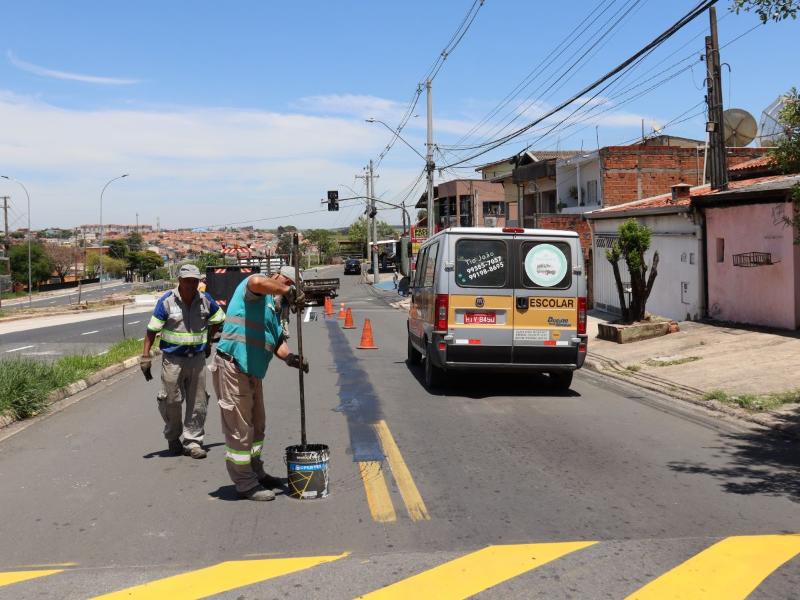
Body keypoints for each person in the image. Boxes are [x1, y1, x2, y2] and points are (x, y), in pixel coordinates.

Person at [211, 270, 307, 501]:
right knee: (240, 429)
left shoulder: (272, 310)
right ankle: (245, 482)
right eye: (287, 283)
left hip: (253, 372)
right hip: (233, 367)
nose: (286, 291)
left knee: (257, 426)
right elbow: (257, 282)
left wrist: (290, 358)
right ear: (277, 276)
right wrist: (286, 290)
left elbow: (277, 341)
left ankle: (255, 470)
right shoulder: (254, 289)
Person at [140, 264, 226, 459]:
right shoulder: (166, 301)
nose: (191, 285)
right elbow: (152, 330)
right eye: (187, 281)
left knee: (198, 402)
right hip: (173, 360)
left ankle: (193, 442)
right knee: (171, 400)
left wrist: (209, 341)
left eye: (195, 281)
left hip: (197, 359)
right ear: (179, 280)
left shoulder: (205, 300)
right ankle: (173, 437)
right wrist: (145, 357)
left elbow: (218, 319)